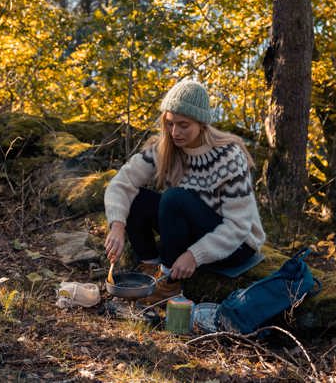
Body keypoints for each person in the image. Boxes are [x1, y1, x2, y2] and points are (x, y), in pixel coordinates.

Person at [104, 79, 266, 304]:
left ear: (201, 123)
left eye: (183, 125)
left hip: (236, 244)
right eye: (170, 124)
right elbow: (122, 183)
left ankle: (169, 286)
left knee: (174, 199)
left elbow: (238, 226)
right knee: (137, 199)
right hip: (193, 229)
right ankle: (152, 271)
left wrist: (194, 255)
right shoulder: (165, 148)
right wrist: (117, 225)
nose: (174, 132)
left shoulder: (228, 156)